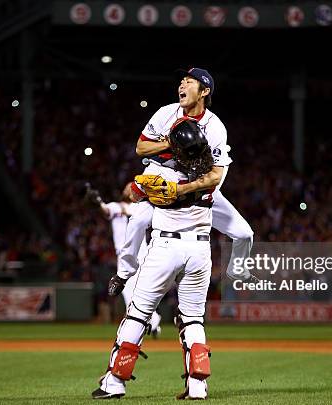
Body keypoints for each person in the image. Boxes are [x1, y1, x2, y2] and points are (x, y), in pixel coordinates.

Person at [109, 68, 254, 300]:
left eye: (189, 82)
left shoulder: (214, 127)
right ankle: (124, 274)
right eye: (182, 81)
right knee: (138, 221)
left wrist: (185, 190)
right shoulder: (166, 113)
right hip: (163, 174)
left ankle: (238, 271)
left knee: (245, 234)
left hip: (197, 183)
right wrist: (170, 143)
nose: (182, 85)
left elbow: (217, 175)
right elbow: (141, 148)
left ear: (204, 91)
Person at [96, 183, 162, 337]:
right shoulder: (115, 206)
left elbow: (128, 211)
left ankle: (142, 326)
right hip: (124, 256)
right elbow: (105, 210)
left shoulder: (142, 208)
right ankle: (152, 322)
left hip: (141, 254)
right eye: (127, 187)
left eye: (133, 187)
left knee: (138, 294)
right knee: (130, 295)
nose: (129, 188)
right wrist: (97, 201)